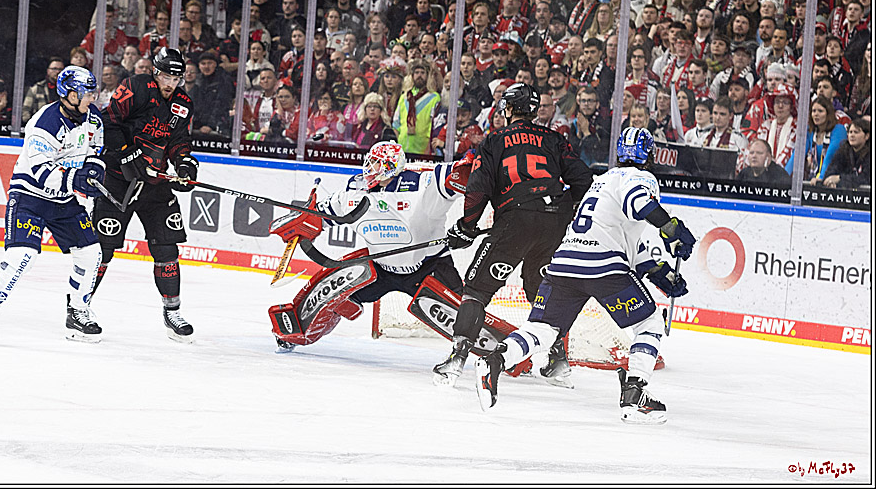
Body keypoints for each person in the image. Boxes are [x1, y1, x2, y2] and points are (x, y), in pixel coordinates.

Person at [473, 127, 695, 424]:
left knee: (543, 328)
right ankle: (635, 394)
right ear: (650, 155)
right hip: (603, 267)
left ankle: (495, 361)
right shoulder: (640, 178)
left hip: (564, 264)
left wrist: (660, 274)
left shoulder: (602, 181)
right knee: (649, 322)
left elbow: (626, 239)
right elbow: (642, 204)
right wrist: (671, 229)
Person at [433, 84, 593, 387]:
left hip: (515, 221)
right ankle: (557, 361)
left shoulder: (493, 141)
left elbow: (477, 190)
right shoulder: (554, 139)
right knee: (540, 289)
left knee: (477, 290)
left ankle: (456, 360)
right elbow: (584, 180)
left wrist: (467, 226)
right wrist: (564, 210)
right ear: (532, 110)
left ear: (507, 109)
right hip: (554, 222)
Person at [267, 141, 473, 352]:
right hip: (380, 268)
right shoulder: (355, 190)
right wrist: (303, 221)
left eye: (375, 163)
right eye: (369, 162)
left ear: (390, 166)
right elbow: (323, 214)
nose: (369, 168)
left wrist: (475, 163)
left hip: (431, 267)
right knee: (337, 297)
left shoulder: (423, 184)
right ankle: (297, 333)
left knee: (463, 314)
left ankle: (501, 349)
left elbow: (457, 172)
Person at [0, 66, 106, 343]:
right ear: (69, 94)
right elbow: (42, 173)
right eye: (85, 93)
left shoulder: (94, 119)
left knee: (91, 253)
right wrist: (76, 180)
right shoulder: (45, 122)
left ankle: (77, 312)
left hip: (65, 201)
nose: (91, 98)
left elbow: (96, 150)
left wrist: (94, 170)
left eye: (92, 92)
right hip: (30, 197)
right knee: (22, 257)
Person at [89, 48, 200, 342]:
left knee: (167, 248)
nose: (170, 83)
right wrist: (125, 153)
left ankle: (172, 311)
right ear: (155, 71)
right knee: (103, 249)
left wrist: (185, 163)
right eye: (166, 75)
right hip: (117, 181)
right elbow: (108, 122)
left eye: (176, 78)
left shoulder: (183, 103)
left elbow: (179, 140)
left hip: (153, 183)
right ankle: (79, 305)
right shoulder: (136, 87)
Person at [822, 119, 871, 189]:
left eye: (856, 132)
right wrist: (830, 181)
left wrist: (840, 179)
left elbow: (866, 179)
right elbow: (830, 172)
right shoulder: (843, 151)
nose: (852, 135)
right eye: (850, 132)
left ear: (866, 136)